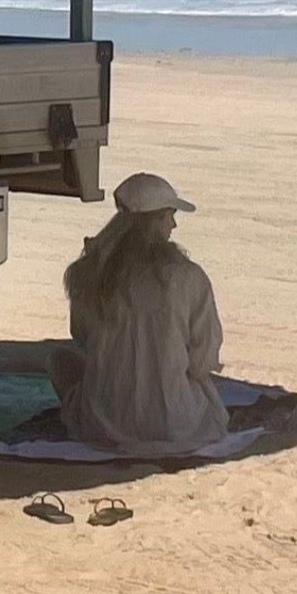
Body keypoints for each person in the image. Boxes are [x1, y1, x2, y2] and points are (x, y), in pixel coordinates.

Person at [58, 171, 230, 454]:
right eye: (169, 216)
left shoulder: (86, 273)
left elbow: (83, 338)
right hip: (176, 425)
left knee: (60, 362)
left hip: (104, 423)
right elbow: (203, 358)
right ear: (155, 221)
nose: (173, 225)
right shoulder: (188, 277)